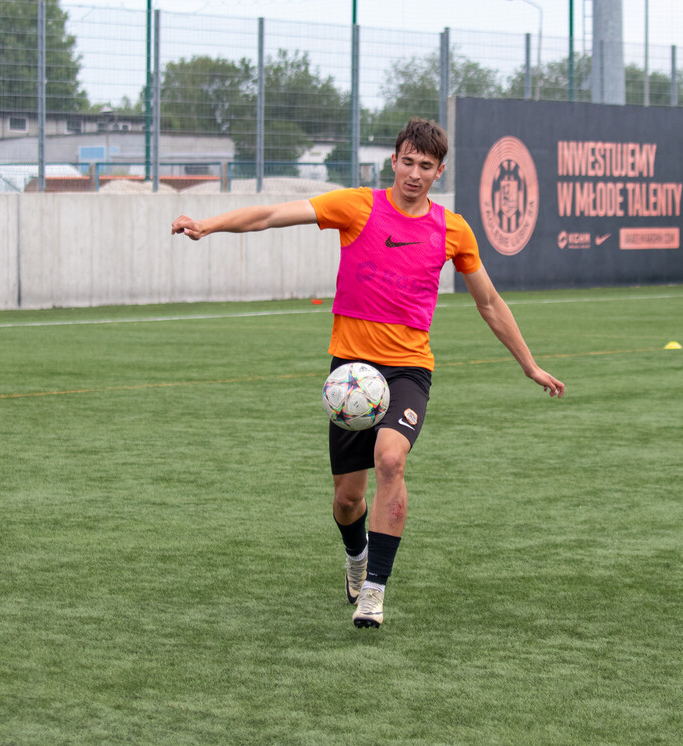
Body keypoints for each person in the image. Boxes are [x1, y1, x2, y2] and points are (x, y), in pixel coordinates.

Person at [171, 118, 565, 629]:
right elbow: (271, 214)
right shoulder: (357, 206)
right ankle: (356, 558)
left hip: (408, 371)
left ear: (439, 171)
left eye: (427, 166)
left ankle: (374, 591)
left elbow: (488, 302)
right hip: (351, 375)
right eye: (408, 162)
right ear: (393, 162)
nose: (415, 174)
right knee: (347, 498)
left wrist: (529, 364)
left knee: (391, 460)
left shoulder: (453, 229)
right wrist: (209, 224)